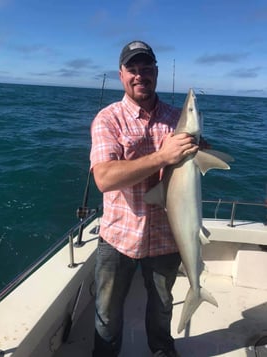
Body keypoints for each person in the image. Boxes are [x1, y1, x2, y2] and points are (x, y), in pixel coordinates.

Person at [90, 40, 199, 357]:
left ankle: (162, 351)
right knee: (107, 313)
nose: (140, 75)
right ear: (122, 75)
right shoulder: (108, 119)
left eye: (146, 68)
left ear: (156, 72)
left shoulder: (176, 119)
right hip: (119, 237)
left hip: (167, 236)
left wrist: (198, 149)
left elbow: (193, 162)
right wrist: (162, 157)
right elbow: (104, 178)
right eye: (132, 69)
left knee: (162, 307)